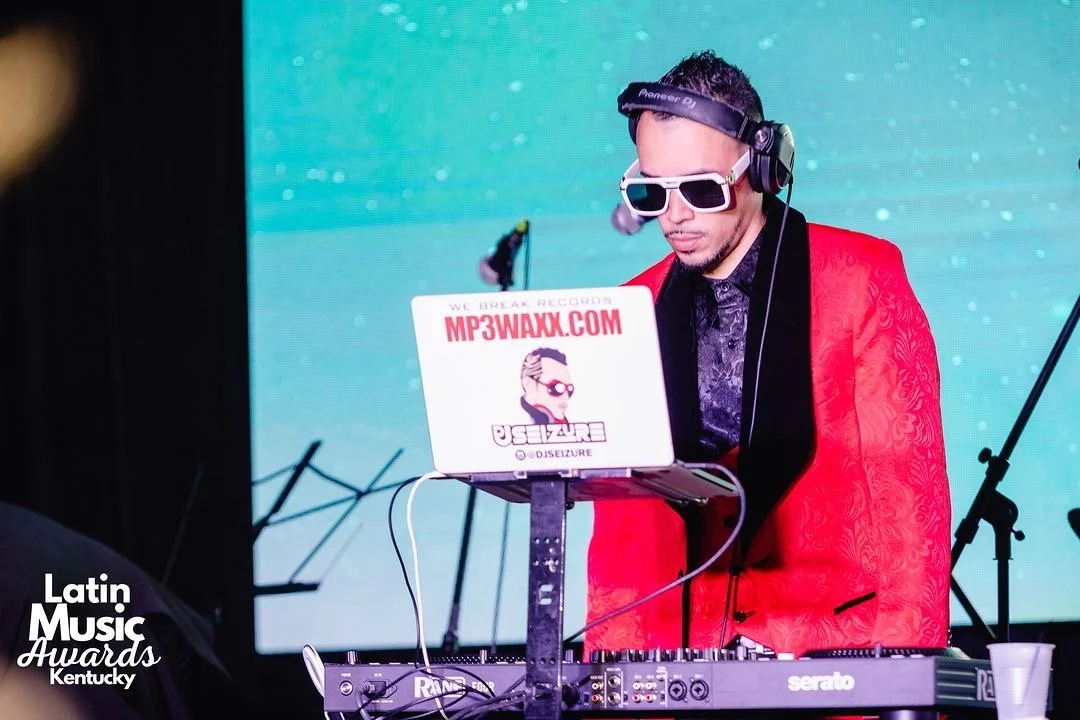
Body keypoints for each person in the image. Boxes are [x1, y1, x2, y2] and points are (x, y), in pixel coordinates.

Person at [585, 51, 952, 661]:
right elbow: (618, 532)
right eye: (651, 192)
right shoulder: (631, 306)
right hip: (675, 658)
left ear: (761, 166)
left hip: (833, 650)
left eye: (700, 189)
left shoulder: (862, 277)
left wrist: (909, 669)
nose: (673, 216)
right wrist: (606, 673)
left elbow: (908, 492)